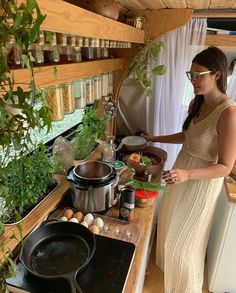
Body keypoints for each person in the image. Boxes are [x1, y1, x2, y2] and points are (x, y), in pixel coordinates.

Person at [142, 46, 236, 293]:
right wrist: (155, 137)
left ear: (217, 74)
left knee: (183, 247)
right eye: (190, 75)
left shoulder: (229, 113)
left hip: (200, 185)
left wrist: (187, 175)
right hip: (180, 176)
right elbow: (189, 136)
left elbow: (226, 167)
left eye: (198, 75)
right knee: (170, 230)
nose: (193, 80)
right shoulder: (199, 102)